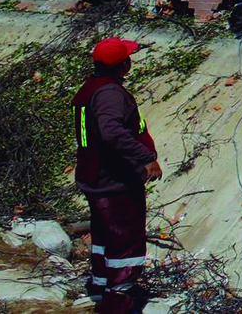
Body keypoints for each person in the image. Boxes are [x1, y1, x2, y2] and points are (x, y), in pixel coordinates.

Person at [71, 37, 162, 314]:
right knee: (125, 241)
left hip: (95, 176)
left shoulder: (91, 87)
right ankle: (116, 303)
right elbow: (110, 131)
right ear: (123, 65)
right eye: (128, 57)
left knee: (104, 236)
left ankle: (100, 290)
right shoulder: (110, 94)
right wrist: (146, 158)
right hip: (114, 181)